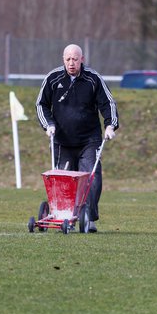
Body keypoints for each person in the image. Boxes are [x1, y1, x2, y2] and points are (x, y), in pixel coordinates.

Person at [36, 44, 119, 232]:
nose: (71, 63)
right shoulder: (52, 78)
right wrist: (48, 125)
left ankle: (88, 217)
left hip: (89, 140)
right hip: (62, 142)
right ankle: (65, 216)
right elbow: (41, 105)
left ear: (82, 59)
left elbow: (108, 103)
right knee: (63, 180)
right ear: (63, 59)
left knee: (91, 177)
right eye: (68, 59)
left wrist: (110, 125)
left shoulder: (93, 79)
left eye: (75, 59)